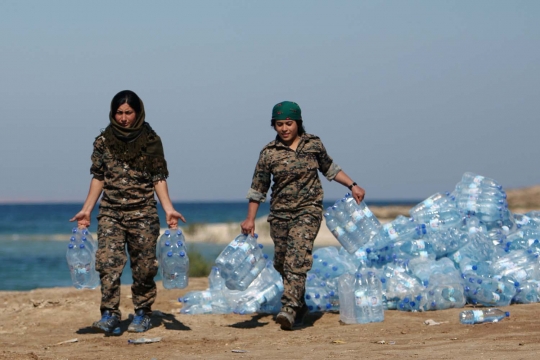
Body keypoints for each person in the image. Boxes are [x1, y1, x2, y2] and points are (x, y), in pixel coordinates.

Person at [240, 101, 365, 330]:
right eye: (279, 124)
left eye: (289, 123)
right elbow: (258, 188)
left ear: (298, 123)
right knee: (281, 262)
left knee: (296, 259)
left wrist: (352, 185)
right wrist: (250, 219)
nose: (284, 128)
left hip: (308, 210)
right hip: (279, 214)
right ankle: (300, 305)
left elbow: (330, 168)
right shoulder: (268, 153)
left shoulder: (313, 144)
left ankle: (288, 307)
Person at [70, 90, 185, 335]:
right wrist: (87, 210)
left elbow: (158, 177)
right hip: (111, 212)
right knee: (107, 264)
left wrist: (168, 209)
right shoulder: (103, 141)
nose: (123, 118)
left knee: (144, 267)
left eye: (128, 113)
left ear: (137, 112)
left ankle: (142, 312)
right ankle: (109, 314)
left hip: (143, 213)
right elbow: (98, 177)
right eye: (119, 113)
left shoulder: (151, 140)